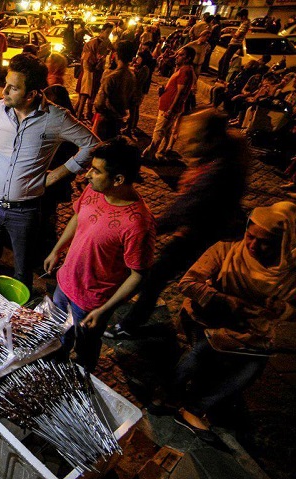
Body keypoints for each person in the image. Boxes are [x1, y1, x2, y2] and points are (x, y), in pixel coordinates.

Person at [107, 110, 249, 339]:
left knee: (155, 277)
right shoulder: (221, 158)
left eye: (193, 140)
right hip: (202, 231)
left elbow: (185, 208)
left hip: (200, 235)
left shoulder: (218, 171)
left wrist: (146, 228)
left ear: (210, 139)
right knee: (159, 276)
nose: (185, 146)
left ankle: (130, 324)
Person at [163, 201, 296, 439]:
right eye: (250, 236)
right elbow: (188, 283)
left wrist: (282, 309)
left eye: (264, 241)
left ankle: (194, 408)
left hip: (250, 330)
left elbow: (292, 310)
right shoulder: (226, 251)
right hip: (208, 319)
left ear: (281, 242)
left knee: (251, 369)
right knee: (204, 350)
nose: (253, 245)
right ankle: (166, 395)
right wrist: (225, 300)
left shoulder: (288, 272)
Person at [0, 54, 99, 290]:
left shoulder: (56, 118)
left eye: (13, 88)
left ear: (31, 94)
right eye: (6, 84)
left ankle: (19, 309)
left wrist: (56, 175)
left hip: (26, 211)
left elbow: (92, 145)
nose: (4, 91)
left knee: (23, 268)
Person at [45, 137, 156, 372]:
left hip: (92, 302)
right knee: (58, 333)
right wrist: (57, 250)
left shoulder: (138, 224)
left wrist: (104, 310)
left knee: (85, 346)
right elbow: (78, 217)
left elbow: (138, 275)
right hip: (65, 283)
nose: (87, 175)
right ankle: (56, 364)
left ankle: (81, 374)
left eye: (96, 171)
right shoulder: (94, 190)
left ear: (118, 179)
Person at [142, 46, 195, 161]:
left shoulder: (185, 71)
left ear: (188, 58)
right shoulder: (183, 69)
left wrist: (171, 109)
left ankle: (148, 155)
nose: (177, 57)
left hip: (169, 107)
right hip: (169, 106)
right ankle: (160, 152)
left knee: (159, 131)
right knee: (166, 131)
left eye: (181, 55)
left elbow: (181, 92)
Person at [92, 40, 136, 140]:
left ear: (117, 55)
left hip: (106, 120)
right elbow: (133, 102)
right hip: (119, 120)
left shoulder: (111, 77)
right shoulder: (131, 76)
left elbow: (99, 103)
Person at [75, 23, 113, 122]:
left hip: (96, 72)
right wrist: (96, 62)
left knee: (90, 95)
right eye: (107, 32)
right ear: (102, 31)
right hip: (88, 73)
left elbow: (111, 49)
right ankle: (77, 116)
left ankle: (84, 113)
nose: (108, 34)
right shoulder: (93, 42)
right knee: (83, 96)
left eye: (110, 32)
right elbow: (86, 60)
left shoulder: (106, 42)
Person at [126, 48, 154, 137]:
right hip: (135, 91)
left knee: (134, 110)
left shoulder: (145, 69)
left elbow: (138, 81)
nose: (137, 59)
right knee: (134, 110)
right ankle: (131, 126)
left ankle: (130, 128)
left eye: (139, 58)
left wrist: (134, 72)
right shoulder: (140, 67)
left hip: (137, 92)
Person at [217, 9, 250, 82]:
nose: (239, 18)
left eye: (240, 17)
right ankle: (220, 77)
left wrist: (230, 32)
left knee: (225, 61)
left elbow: (237, 36)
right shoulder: (244, 23)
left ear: (243, 16)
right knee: (222, 61)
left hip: (235, 44)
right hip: (233, 44)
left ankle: (222, 78)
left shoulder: (245, 24)